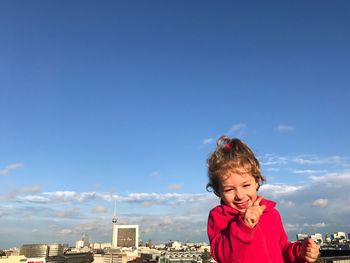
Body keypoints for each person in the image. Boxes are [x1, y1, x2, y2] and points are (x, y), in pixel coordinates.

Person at [206, 136, 319, 263]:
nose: (240, 195)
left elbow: (282, 248)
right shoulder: (219, 216)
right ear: (218, 191)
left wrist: (299, 252)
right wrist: (244, 225)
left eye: (246, 185)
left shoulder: (271, 214)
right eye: (229, 190)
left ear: (257, 181)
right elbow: (222, 255)